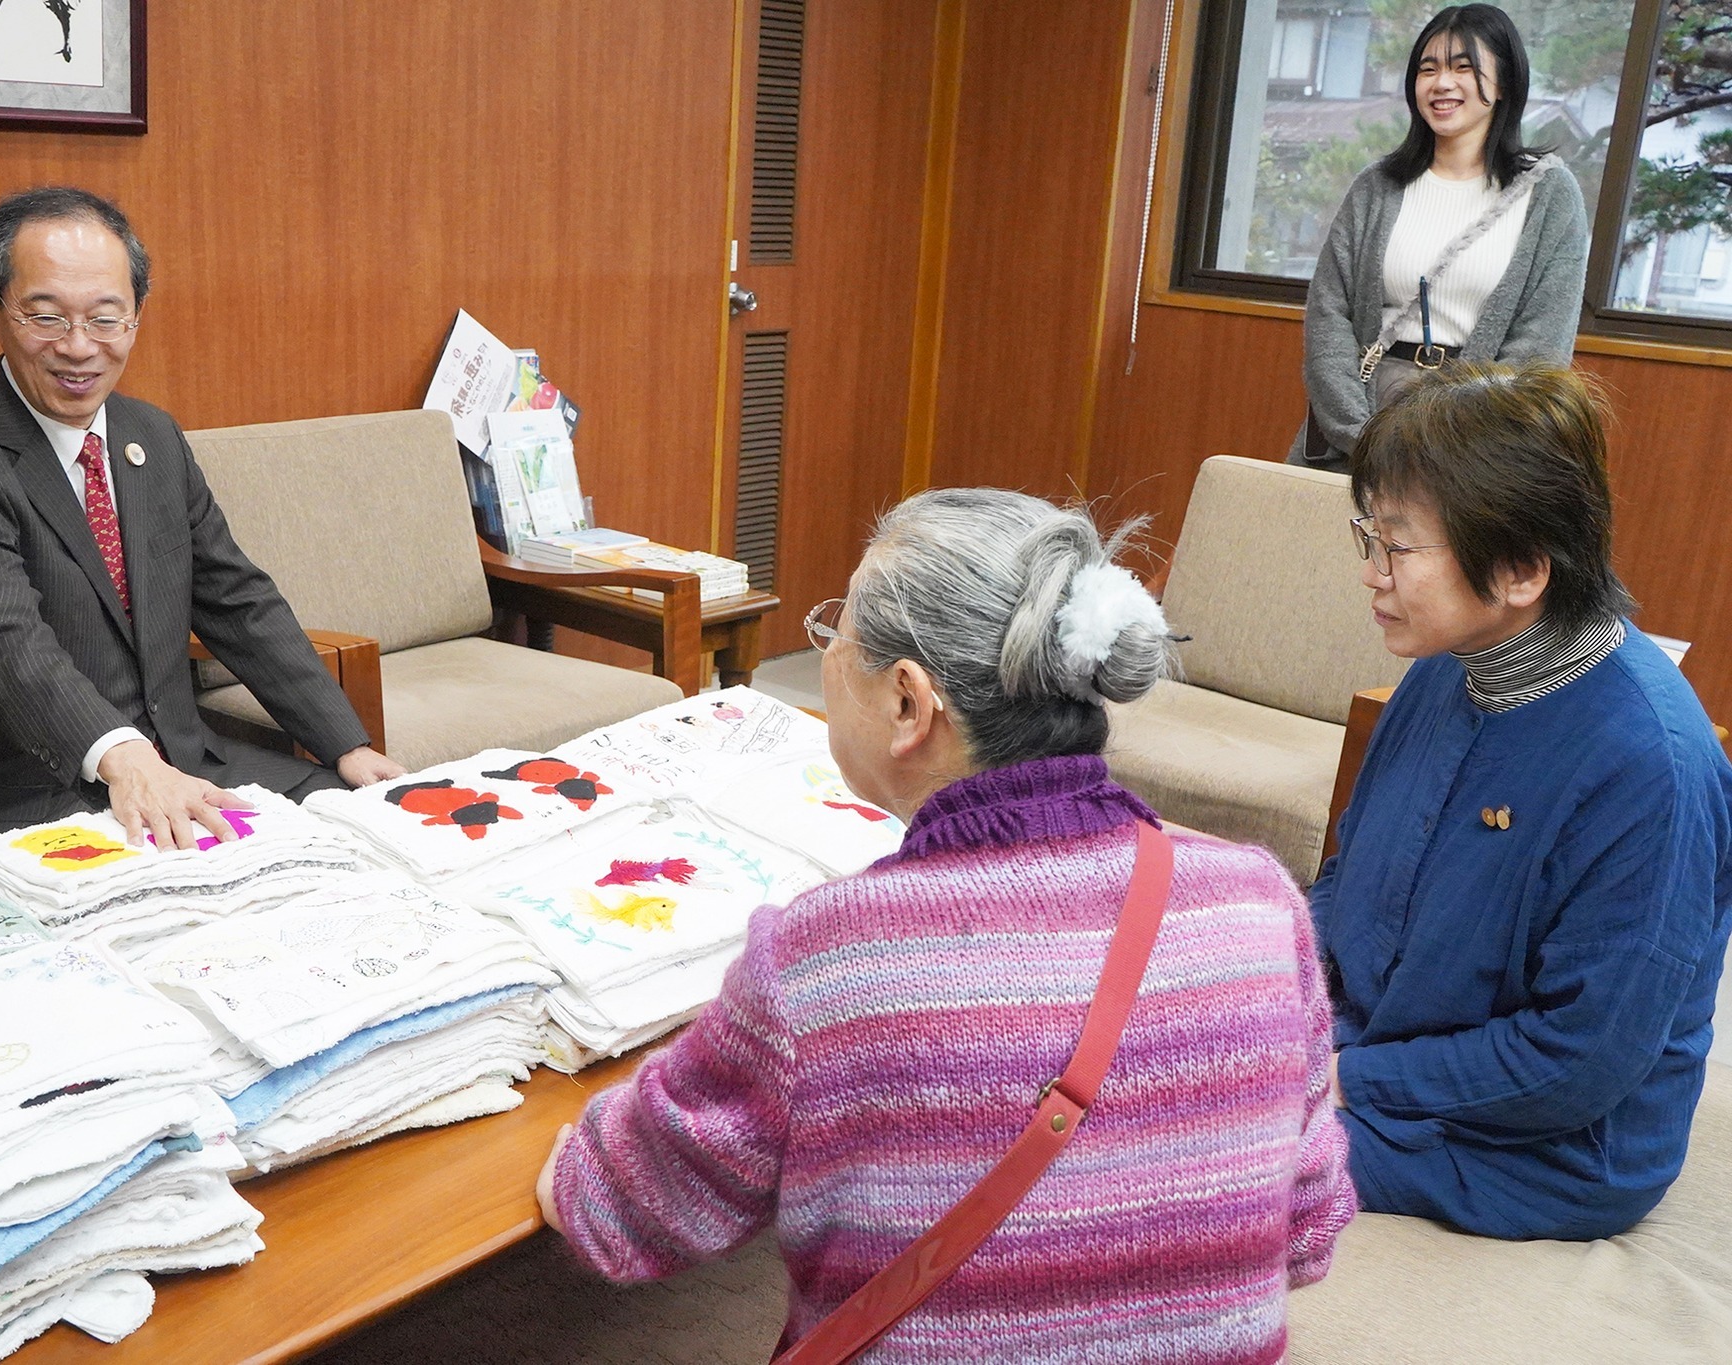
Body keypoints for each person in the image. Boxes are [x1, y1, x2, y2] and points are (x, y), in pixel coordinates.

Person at [535, 489, 1355, 1360]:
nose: (825, 653)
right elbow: (1307, 1233)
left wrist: (574, 1168)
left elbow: (623, 1205)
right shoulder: (1262, 903)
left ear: (908, 702)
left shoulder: (823, 959)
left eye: (835, 631)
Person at [1317, 360, 1732, 1240]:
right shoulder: (1448, 668)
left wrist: (1346, 1078)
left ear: (1519, 569)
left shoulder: (1649, 765)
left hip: (1535, 1145)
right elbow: (1348, 881)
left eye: (1398, 547)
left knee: (1187, 1149)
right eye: (1369, 537)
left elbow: (1574, 1062)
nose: (1371, 574)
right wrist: (1274, 993)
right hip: (1374, 1046)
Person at [0, 186, 404, 881]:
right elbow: (0, 644)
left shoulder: (151, 436)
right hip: (32, 793)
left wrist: (345, 744)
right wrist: (125, 757)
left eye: (105, 319)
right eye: (46, 316)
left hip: (185, 764)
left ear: (137, 313)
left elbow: (236, 598)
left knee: (365, 840)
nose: (78, 347)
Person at [1290, 4, 1588, 472]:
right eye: (1428, 69)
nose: (1442, 83)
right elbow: (1329, 314)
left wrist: (1457, 447)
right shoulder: (1376, 186)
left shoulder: (1549, 194)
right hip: (1358, 430)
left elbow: (1541, 350)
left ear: (1504, 83)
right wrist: (1360, 436)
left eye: (1463, 68)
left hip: (1474, 449)